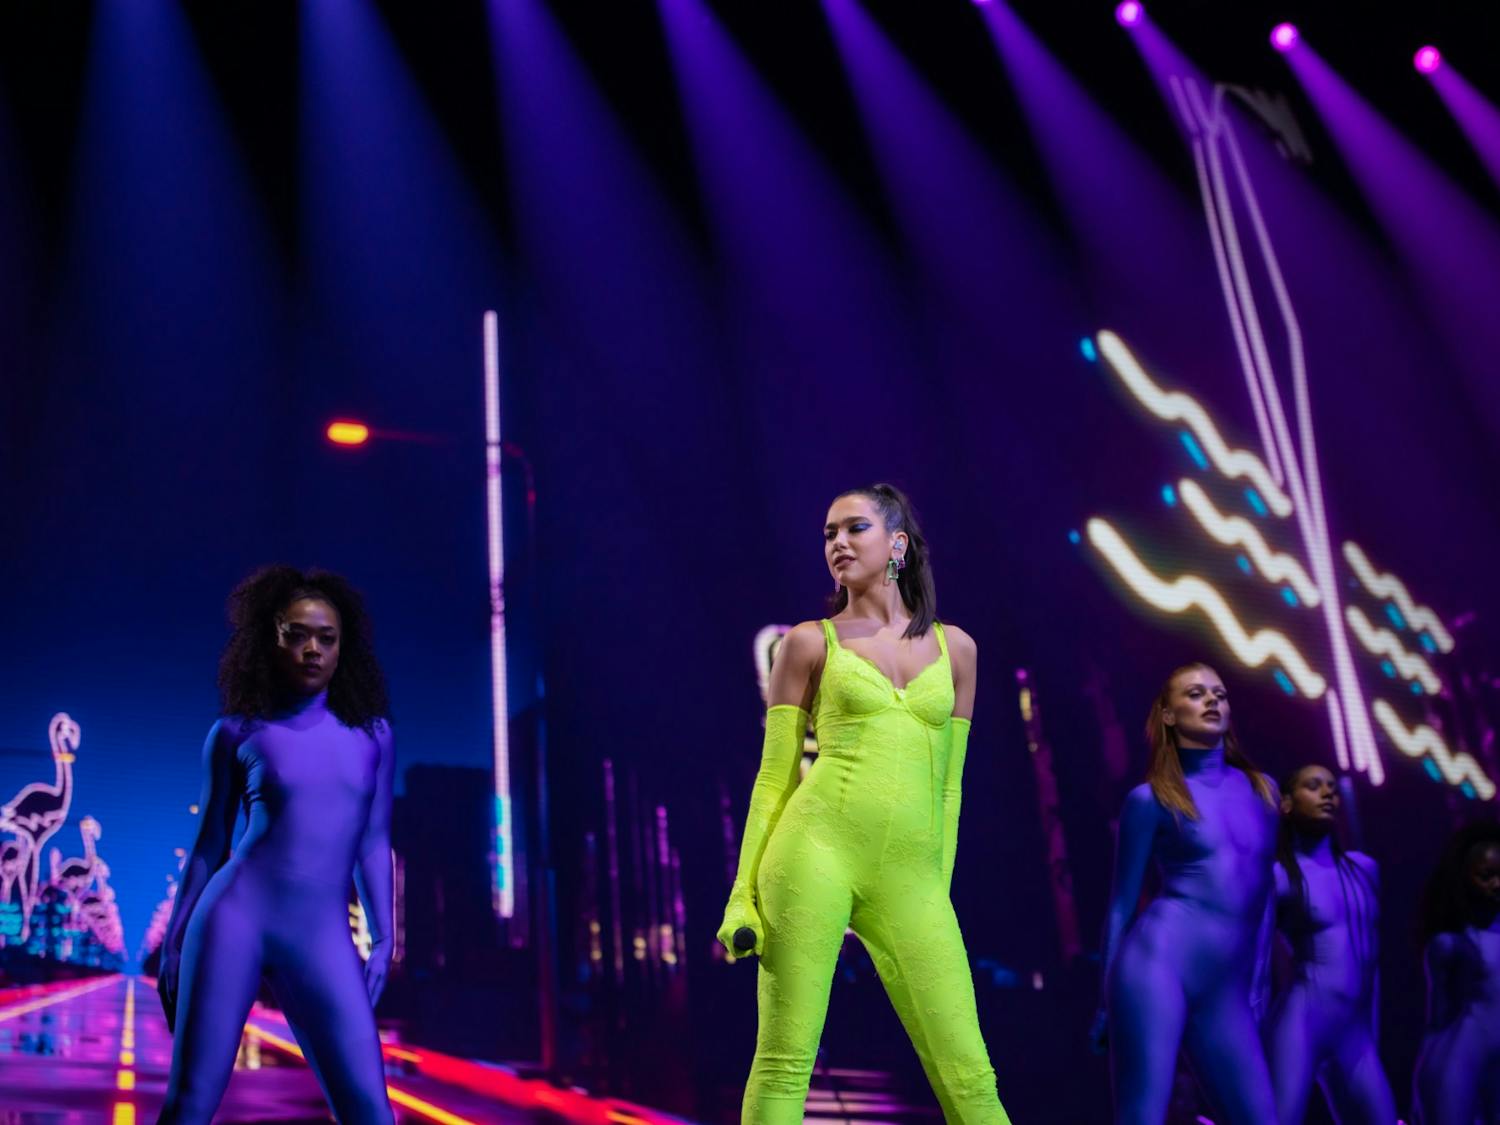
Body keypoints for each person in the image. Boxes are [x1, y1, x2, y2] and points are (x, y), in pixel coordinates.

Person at [716, 483, 1009, 1123]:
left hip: (911, 874)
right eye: (828, 534)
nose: (838, 543)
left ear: (897, 545)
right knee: (786, 1060)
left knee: (971, 1075)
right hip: (813, 851)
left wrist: (937, 887)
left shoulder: (958, 650)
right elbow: (775, 779)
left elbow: (950, 785)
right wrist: (743, 893)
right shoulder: (808, 642)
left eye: (854, 529)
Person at [157, 566, 395, 1124]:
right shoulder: (237, 732)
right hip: (232, 920)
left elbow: (374, 839)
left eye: (326, 638)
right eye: (297, 634)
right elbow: (208, 846)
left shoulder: (375, 735)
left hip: (323, 935)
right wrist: (173, 942)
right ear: (272, 639)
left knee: (371, 1113)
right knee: (190, 1104)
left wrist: (385, 935)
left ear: (343, 648)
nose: (313, 649)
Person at [1091, 663, 1279, 1125]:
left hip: (1226, 988)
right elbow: (1120, 905)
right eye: (1196, 694)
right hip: (1157, 966)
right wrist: (1103, 1000)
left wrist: (1259, 978)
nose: (1213, 701)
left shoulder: (1264, 790)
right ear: (1169, 715)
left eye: (1220, 693)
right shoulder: (1150, 799)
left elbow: (1265, 893)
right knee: (1143, 1116)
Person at [1262, 764, 1393, 1123]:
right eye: (1314, 786)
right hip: (1301, 1024)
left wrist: (1371, 1032)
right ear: (1286, 803)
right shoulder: (1280, 876)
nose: (1327, 794)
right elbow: (1257, 958)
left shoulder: (1365, 869)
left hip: (1356, 1033)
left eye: (1332, 788)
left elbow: (1373, 962)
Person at [1412, 820, 1500, 1124]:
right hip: (1462, 1057)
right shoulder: (1450, 944)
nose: (1497, 884)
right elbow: (1436, 1018)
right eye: (1486, 876)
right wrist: (1421, 1082)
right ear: (1465, 880)